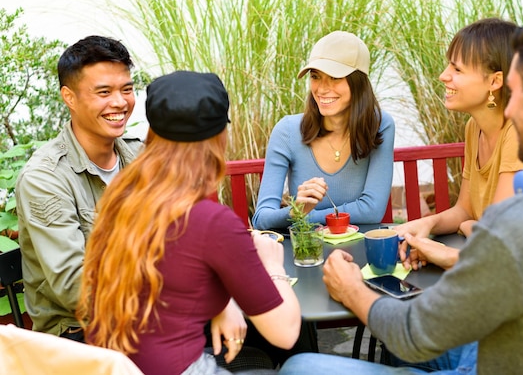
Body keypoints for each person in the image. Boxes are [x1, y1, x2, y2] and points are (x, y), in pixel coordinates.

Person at [278, 13, 523, 374]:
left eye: (515, 90)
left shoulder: (520, 222)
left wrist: (350, 288)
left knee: (298, 368)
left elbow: (414, 332)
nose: (508, 108)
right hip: (515, 347)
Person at [76, 71, 301, 375]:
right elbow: (285, 333)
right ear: (220, 136)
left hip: (114, 368)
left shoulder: (123, 194)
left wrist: (223, 305)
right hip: (181, 369)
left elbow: (173, 277)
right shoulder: (210, 221)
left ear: (151, 135)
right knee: (296, 364)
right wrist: (273, 265)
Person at [15, 35, 143, 341]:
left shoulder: (140, 157)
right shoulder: (44, 179)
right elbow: (77, 289)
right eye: (103, 92)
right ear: (69, 97)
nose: (120, 102)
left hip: (148, 315)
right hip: (83, 335)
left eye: (127, 89)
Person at [395, 18, 523, 270]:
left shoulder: (518, 132)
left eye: (457, 70)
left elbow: (496, 238)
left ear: (495, 81)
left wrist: (456, 240)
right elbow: (465, 210)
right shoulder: (475, 128)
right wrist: (427, 224)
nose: (443, 76)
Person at [251, 30, 395, 230]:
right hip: (307, 254)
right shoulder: (287, 131)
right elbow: (261, 218)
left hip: (359, 252)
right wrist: (296, 210)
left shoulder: (380, 125)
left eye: (335, 77)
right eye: (316, 76)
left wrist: (305, 217)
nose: (321, 89)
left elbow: (372, 210)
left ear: (358, 82)